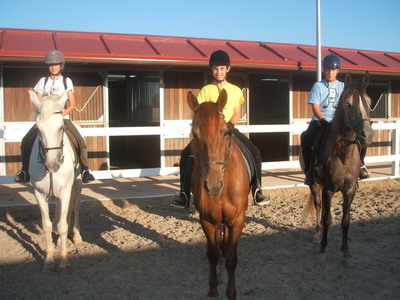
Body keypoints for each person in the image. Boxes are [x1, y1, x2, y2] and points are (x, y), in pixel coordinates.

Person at [171, 50, 270, 208]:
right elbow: (200, 112)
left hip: (228, 129)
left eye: (222, 68)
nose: (219, 72)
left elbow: (237, 112)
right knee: (185, 155)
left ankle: (257, 189)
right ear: (211, 70)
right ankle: (183, 193)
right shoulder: (205, 90)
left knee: (255, 152)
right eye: (216, 68)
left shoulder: (235, 90)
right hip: (210, 133)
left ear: (228, 69)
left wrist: (229, 125)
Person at [14, 50, 95, 184]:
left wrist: (59, 116)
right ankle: (24, 171)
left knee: (79, 139)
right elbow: (38, 104)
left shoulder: (66, 81)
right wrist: (46, 116)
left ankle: (85, 169)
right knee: (26, 140)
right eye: (51, 65)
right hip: (45, 119)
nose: (53, 67)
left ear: (61, 65)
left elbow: (72, 104)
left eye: (56, 64)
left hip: (63, 117)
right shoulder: (42, 81)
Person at [301, 54, 370, 185]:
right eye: (327, 69)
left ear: (338, 71)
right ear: (324, 70)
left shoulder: (344, 87)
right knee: (306, 139)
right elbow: (315, 106)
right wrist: (321, 120)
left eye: (333, 70)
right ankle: (309, 171)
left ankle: (361, 165)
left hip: (340, 121)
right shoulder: (318, 86)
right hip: (320, 120)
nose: (330, 72)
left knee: (361, 137)